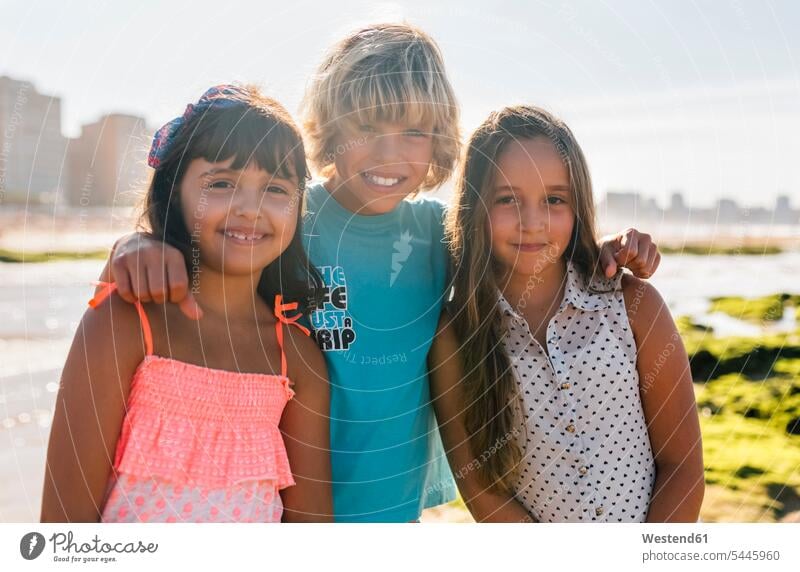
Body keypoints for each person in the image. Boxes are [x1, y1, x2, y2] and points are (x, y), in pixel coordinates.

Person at [96, 25, 661, 522]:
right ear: (332, 130)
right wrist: (139, 241)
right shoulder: (287, 215)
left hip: (393, 515)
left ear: (439, 142)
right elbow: (210, 256)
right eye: (369, 128)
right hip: (273, 507)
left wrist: (604, 251)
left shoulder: (444, 236)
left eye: (414, 133)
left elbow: (531, 246)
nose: (390, 154)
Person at [41, 85, 332, 522]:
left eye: (276, 188)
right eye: (221, 183)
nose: (250, 208)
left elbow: (311, 531)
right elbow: (64, 524)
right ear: (174, 191)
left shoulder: (298, 358)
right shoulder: (124, 321)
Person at [431, 105, 704, 522]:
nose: (533, 222)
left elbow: (682, 467)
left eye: (554, 199)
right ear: (475, 209)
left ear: (578, 209)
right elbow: (481, 491)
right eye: (507, 199)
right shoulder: (455, 337)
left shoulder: (634, 307)